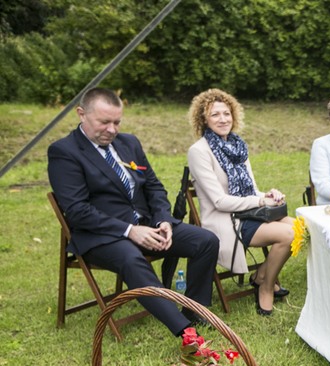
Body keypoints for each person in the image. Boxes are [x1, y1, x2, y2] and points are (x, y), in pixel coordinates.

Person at [48, 88, 218, 337]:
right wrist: (129, 231)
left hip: (147, 224)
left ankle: (194, 312)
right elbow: (77, 211)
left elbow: (154, 187)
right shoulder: (64, 152)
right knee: (130, 258)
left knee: (205, 241)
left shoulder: (129, 143)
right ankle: (186, 332)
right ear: (81, 114)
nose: (112, 129)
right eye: (104, 122)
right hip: (103, 236)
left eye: (117, 122)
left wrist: (162, 220)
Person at [186, 88, 295, 317]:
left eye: (226, 113)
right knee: (289, 235)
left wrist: (269, 195)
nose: (223, 119)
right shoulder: (199, 151)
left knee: (301, 229)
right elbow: (219, 201)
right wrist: (258, 199)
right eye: (215, 114)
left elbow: (252, 190)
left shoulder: (238, 146)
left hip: (248, 212)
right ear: (204, 119)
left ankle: (261, 275)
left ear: (234, 115)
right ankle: (265, 287)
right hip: (226, 220)